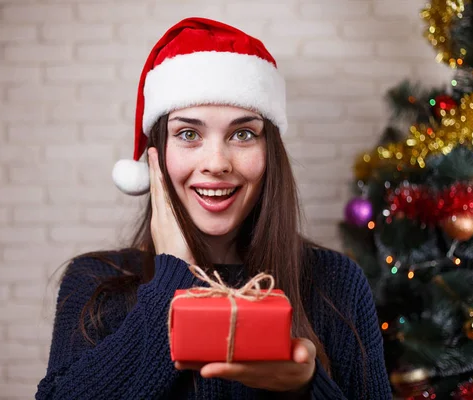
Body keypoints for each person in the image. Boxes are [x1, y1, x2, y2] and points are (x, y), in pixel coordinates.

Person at [36, 17, 392, 399]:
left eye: (243, 134)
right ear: (155, 159)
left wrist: (307, 387)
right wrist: (172, 274)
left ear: (269, 152)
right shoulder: (94, 282)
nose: (217, 162)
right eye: (188, 134)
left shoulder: (336, 283)